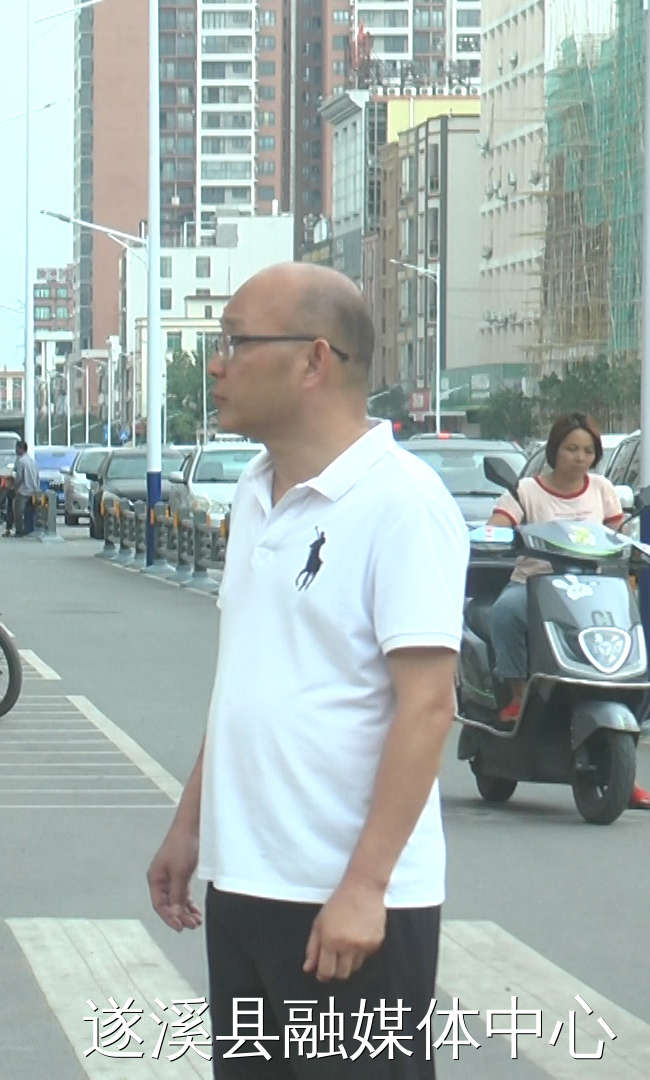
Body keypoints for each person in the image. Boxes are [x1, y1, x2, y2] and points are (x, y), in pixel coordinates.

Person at [145, 263, 466, 1079]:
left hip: (346, 902)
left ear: (314, 360)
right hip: (246, 883)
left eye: (235, 343)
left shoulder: (402, 502)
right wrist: (191, 825)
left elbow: (427, 707)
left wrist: (365, 887)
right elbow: (250, 680)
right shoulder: (255, 494)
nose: (216, 365)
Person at [484, 415, 650, 809]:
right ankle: (518, 693)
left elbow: (618, 534)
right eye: (572, 448)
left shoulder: (602, 489)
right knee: (505, 613)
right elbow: (497, 526)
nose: (580, 457)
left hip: (592, 590)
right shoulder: (526, 490)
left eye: (588, 451)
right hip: (534, 583)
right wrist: (502, 534)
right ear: (555, 449)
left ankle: (624, 770)